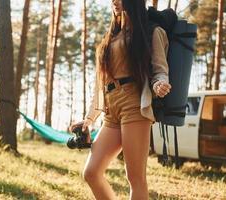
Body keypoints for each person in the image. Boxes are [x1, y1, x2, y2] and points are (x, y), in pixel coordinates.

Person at [71, 0, 171, 199]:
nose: (115, 2)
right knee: (91, 172)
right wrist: (89, 119)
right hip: (111, 108)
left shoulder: (150, 31)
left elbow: (160, 69)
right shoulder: (110, 38)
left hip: (134, 105)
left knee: (135, 178)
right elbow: (101, 86)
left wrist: (159, 84)